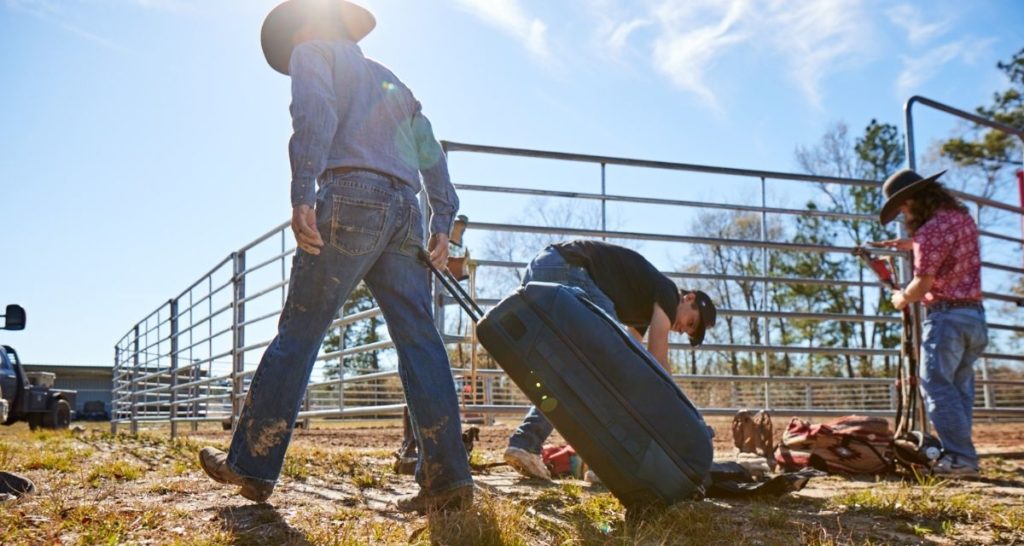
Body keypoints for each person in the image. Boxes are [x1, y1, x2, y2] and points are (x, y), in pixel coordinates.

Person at [198, 0, 473, 512]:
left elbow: (315, 113)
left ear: (304, 26)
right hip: (405, 214)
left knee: (300, 332)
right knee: (421, 342)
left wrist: (303, 187)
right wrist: (442, 217)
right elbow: (430, 151)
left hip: (349, 197)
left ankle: (251, 465)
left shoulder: (311, 52)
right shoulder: (391, 79)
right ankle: (448, 480)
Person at [503, 239, 717, 480]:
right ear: (688, 298)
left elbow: (631, 363)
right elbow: (657, 361)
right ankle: (605, 463)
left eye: (688, 332)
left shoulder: (642, 308)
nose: (682, 329)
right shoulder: (668, 292)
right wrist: (687, 416)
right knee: (601, 368)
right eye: (690, 323)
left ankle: (525, 443)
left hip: (544, 267)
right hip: (569, 269)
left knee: (572, 372)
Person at [871, 168, 988, 478]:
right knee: (959, 388)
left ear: (912, 200)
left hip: (946, 317)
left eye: (904, 208)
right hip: (974, 316)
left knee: (935, 385)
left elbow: (922, 284)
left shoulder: (929, 231)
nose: (905, 214)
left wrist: (902, 299)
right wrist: (910, 246)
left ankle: (961, 458)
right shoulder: (961, 219)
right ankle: (964, 455)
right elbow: (947, 249)